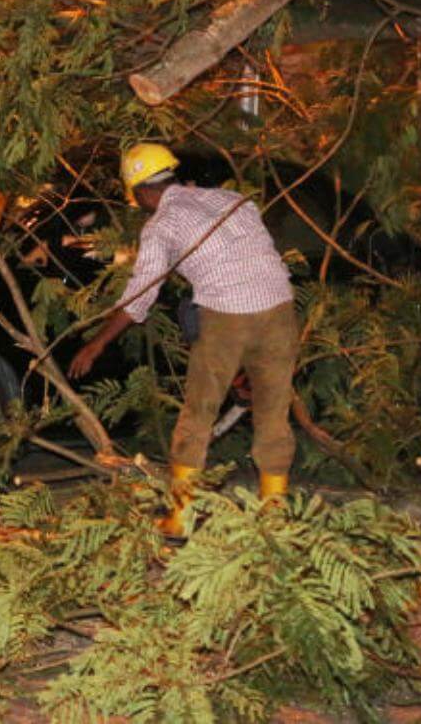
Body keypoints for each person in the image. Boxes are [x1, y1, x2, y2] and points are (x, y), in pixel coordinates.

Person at [68, 143, 298, 537]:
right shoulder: (230, 198)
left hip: (228, 314)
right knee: (274, 412)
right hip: (280, 308)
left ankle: (181, 516)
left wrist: (97, 343)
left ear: (141, 192)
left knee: (198, 413)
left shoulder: (162, 225)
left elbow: (140, 296)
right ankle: (274, 515)